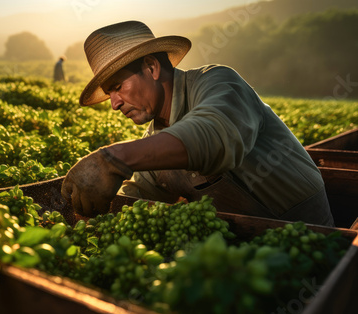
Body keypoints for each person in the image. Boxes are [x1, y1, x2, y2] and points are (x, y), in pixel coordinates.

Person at [61, 20, 335, 227]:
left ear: (152, 67)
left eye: (118, 87)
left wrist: (113, 159)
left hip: (310, 233)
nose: (114, 103)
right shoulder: (153, 141)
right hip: (244, 249)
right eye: (109, 94)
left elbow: (214, 135)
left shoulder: (218, 82)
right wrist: (93, 218)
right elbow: (138, 195)